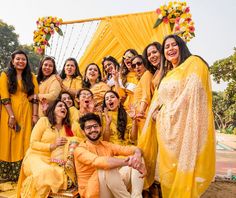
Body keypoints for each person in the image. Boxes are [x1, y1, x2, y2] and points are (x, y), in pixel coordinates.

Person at [139, 34, 215, 198]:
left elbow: (192, 96)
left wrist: (165, 112)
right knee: (168, 177)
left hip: (185, 132)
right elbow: (157, 101)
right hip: (166, 134)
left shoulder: (194, 63)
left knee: (185, 177)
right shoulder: (168, 74)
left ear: (181, 46)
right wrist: (154, 115)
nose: (170, 49)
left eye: (174, 45)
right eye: (166, 47)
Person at [74, 113, 146, 198]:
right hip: (93, 192)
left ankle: (137, 196)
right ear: (83, 132)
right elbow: (99, 161)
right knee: (107, 168)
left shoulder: (106, 145)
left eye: (95, 126)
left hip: (112, 187)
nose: (93, 129)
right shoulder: (80, 150)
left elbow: (129, 149)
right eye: (88, 128)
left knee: (137, 157)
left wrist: (137, 154)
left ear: (100, 128)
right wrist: (130, 162)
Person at [17, 99, 79, 198]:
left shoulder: (67, 128)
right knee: (44, 173)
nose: (64, 108)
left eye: (65, 107)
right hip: (35, 157)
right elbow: (33, 143)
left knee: (58, 174)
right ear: (53, 109)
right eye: (60, 106)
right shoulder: (44, 121)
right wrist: (52, 146)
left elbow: (73, 142)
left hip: (54, 160)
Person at [0, 50, 39, 182]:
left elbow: (34, 98)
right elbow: (4, 97)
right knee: (8, 140)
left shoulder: (31, 76)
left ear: (26, 62)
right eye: (18, 59)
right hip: (9, 111)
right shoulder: (5, 75)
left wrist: (35, 115)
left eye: (23, 59)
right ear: (12, 61)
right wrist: (11, 116)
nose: (21, 61)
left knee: (25, 140)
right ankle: (6, 174)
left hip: (27, 112)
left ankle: (22, 173)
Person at [131, 55, 153, 137]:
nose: (136, 67)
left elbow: (146, 95)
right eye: (134, 66)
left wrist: (141, 111)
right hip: (140, 118)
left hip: (144, 115)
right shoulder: (142, 78)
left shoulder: (146, 74)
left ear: (144, 64)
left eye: (139, 63)